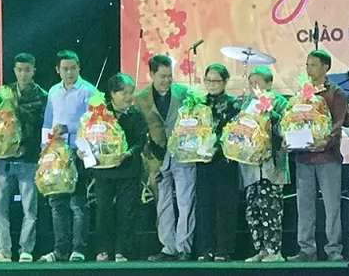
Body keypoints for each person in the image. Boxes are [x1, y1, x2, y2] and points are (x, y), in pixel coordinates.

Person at [289, 49, 349, 263]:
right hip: (304, 157)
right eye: (307, 64)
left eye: (313, 65)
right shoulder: (302, 93)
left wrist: (325, 141)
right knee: (304, 205)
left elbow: (339, 123)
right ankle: (306, 250)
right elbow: (292, 119)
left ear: (326, 67)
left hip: (327, 158)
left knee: (332, 206)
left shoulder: (336, 92)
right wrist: (289, 137)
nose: (309, 69)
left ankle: (333, 250)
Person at [135, 54, 194, 262]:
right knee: (163, 202)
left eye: (170, 75)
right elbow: (139, 129)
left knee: (186, 201)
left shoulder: (184, 93)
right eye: (162, 76)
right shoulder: (140, 98)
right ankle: (168, 247)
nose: (167, 80)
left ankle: (184, 247)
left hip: (182, 154)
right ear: (151, 74)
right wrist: (148, 156)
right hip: (156, 156)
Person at [0, 53, 48, 263]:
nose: (23, 74)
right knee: (0, 207)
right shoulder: (4, 93)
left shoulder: (42, 96)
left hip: (28, 159)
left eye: (27, 70)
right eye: (19, 70)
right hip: (4, 160)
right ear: (14, 70)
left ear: (34, 71)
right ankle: (4, 250)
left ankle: (26, 250)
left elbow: (43, 126)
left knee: (29, 208)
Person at [39, 50, 96, 262]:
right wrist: (44, 150)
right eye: (65, 69)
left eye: (73, 68)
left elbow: (95, 123)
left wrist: (71, 132)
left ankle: (78, 249)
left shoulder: (88, 91)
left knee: (78, 202)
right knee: (57, 203)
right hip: (56, 154)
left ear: (79, 67)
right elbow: (47, 122)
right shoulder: (53, 91)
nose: (69, 72)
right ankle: (60, 250)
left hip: (79, 151)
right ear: (58, 70)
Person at [91, 72, 148, 263]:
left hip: (128, 169)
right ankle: (103, 249)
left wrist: (128, 153)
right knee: (103, 211)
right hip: (104, 170)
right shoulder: (99, 114)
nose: (129, 97)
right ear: (112, 93)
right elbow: (87, 137)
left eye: (131, 92)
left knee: (127, 212)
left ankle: (122, 250)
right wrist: (85, 152)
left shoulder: (136, 114)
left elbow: (141, 140)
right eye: (124, 93)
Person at [241, 66, 289, 263]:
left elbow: (285, 129)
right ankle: (260, 248)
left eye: (258, 83)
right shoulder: (247, 103)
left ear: (269, 83)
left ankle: (274, 250)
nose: (254, 87)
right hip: (251, 164)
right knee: (253, 209)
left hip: (272, 164)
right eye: (251, 83)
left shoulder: (280, 102)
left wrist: (271, 114)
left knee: (271, 208)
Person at [195, 63, 241, 262]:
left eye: (216, 80)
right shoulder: (198, 103)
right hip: (202, 160)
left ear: (225, 81)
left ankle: (223, 249)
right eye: (208, 80)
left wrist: (217, 147)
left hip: (225, 161)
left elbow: (236, 133)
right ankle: (206, 249)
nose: (212, 84)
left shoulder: (233, 104)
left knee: (225, 206)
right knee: (204, 205)